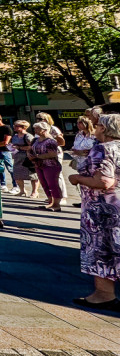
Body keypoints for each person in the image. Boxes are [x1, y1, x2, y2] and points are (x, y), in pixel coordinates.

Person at [68, 113, 120, 311]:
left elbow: (103, 182)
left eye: (98, 126)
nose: (95, 129)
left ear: (105, 129)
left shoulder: (103, 148)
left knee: (101, 249)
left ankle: (103, 294)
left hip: (104, 207)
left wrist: (77, 178)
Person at [36, 112, 69, 205]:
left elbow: (62, 142)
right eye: (37, 119)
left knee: (57, 175)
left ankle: (63, 196)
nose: (38, 120)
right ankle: (52, 196)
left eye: (41, 119)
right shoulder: (38, 129)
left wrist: (50, 143)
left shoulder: (53, 128)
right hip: (42, 154)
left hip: (54, 153)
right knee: (46, 176)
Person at [29, 121, 63, 211]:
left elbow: (52, 154)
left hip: (50, 165)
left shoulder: (51, 141)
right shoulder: (36, 140)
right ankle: (50, 201)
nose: (35, 130)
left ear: (44, 130)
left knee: (52, 184)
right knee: (44, 184)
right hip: (38, 164)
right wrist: (30, 155)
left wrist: (37, 156)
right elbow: (30, 149)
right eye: (35, 128)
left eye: (37, 128)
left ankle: (56, 204)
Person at [69, 116, 97, 208]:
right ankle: (84, 200)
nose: (78, 125)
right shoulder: (79, 135)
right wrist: (76, 151)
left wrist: (85, 152)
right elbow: (75, 147)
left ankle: (94, 200)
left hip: (91, 162)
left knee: (91, 181)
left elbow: (96, 148)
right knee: (83, 182)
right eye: (77, 123)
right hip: (80, 161)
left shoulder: (94, 135)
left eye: (80, 123)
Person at [9, 120, 39, 199]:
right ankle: (22, 190)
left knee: (32, 175)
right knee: (17, 175)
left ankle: (35, 191)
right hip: (17, 157)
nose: (14, 127)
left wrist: (19, 147)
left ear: (23, 127)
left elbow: (32, 146)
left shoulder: (28, 136)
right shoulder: (15, 136)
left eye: (16, 126)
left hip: (27, 157)